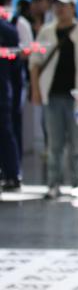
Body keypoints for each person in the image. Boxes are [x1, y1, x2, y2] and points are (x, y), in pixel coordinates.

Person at [29, 0, 78, 199]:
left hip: (77, 97)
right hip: (52, 94)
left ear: (73, 7)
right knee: (54, 143)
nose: (59, 9)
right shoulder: (46, 31)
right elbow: (35, 62)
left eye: (64, 5)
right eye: (56, 5)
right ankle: (54, 183)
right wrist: (35, 90)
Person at [1, 0, 33, 173]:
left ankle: (13, 169)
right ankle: (12, 170)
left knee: (10, 125)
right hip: (8, 82)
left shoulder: (14, 25)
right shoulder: (13, 26)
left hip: (9, 82)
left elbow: (24, 53)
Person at [0, 13, 20, 191]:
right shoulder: (9, 30)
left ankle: (12, 173)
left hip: (3, 89)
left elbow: (15, 64)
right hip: (5, 88)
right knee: (6, 132)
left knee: (6, 132)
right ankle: (12, 174)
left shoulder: (7, 31)